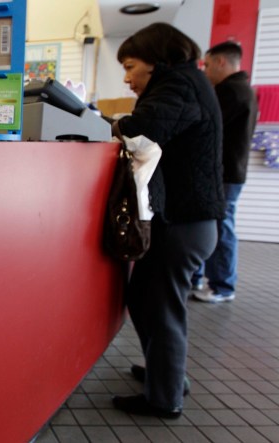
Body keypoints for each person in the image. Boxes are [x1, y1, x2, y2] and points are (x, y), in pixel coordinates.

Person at [109, 23, 225, 419]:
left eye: (130, 66)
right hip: (186, 220)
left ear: (157, 61)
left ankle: (165, 397)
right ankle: (167, 372)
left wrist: (118, 124)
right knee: (145, 299)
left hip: (184, 223)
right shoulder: (186, 83)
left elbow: (145, 128)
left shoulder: (179, 86)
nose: (127, 78)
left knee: (162, 308)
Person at [191, 41, 258, 303]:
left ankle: (222, 285)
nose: (205, 71)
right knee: (218, 224)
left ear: (221, 62)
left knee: (222, 226)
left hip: (225, 173)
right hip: (231, 172)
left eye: (207, 65)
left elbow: (205, 127)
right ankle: (207, 279)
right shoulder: (244, 90)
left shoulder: (231, 92)